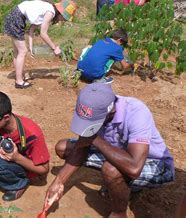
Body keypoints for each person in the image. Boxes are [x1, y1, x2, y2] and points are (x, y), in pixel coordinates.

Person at [44, 83, 175, 218]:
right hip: (118, 154)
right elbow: (81, 147)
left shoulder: (136, 112)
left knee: (111, 170)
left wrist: (94, 138)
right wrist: (58, 182)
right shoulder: (95, 109)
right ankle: (120, 184)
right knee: (63, 148)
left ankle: (119, 213)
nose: (88, 127)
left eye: (92, 123)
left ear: (111, 111)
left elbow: (135, 168)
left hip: (155, 164)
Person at [4, 0, 77, 89]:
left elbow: (32, 27)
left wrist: (30, 45)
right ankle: (19, 82)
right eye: (65, 18)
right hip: (16, 19)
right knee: (22, 51)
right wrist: (54, 48)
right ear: (61, 13)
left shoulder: (48, 8)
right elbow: (43, 34)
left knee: (18, 51)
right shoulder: (50, 12)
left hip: (14, 16)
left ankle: (19, 77)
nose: (63, 20)